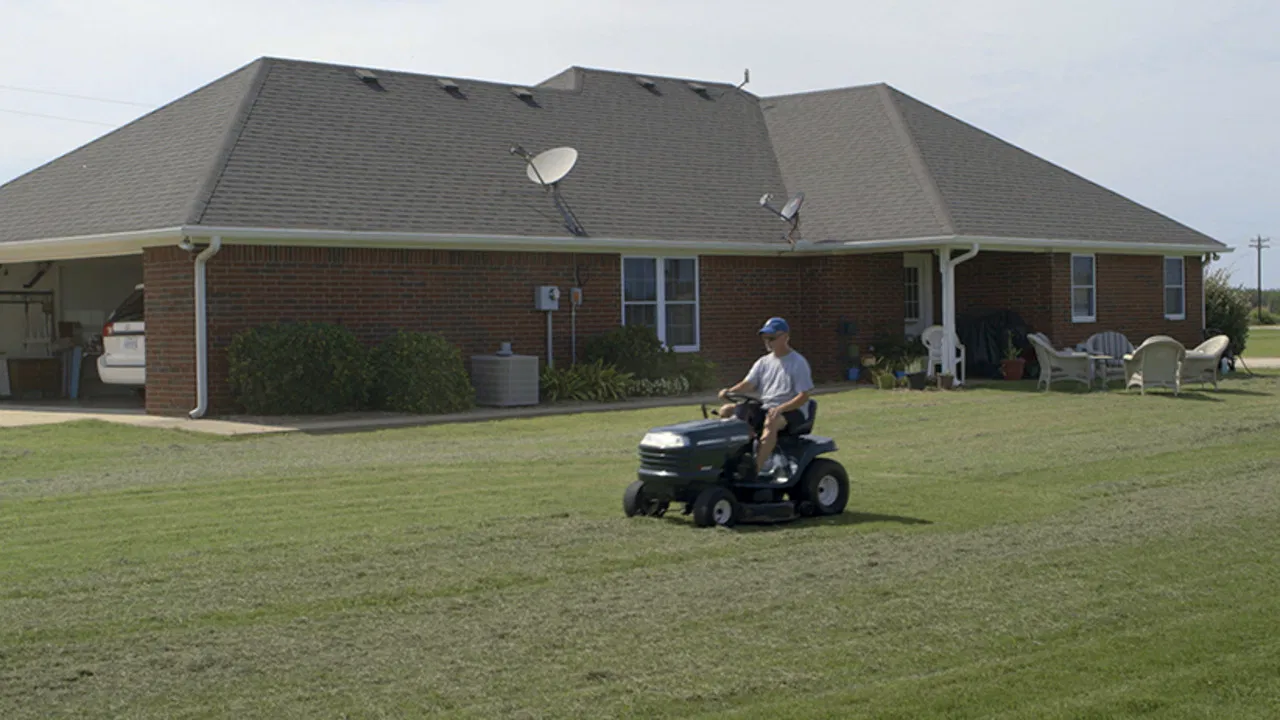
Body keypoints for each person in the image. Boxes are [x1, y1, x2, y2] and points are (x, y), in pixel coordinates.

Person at [716, 317, 814, 479]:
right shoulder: (763, 362)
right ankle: (732, 460)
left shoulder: (798, 362)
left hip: (792, 410)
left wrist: (780, 409)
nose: (767, 342)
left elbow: (803, 397)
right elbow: (748, 384)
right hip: (766, 406)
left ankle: (755, 470)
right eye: (765, 338)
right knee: (727, 410)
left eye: (772, 338)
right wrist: (729, 391)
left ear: (785, 337)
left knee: (771, 420)